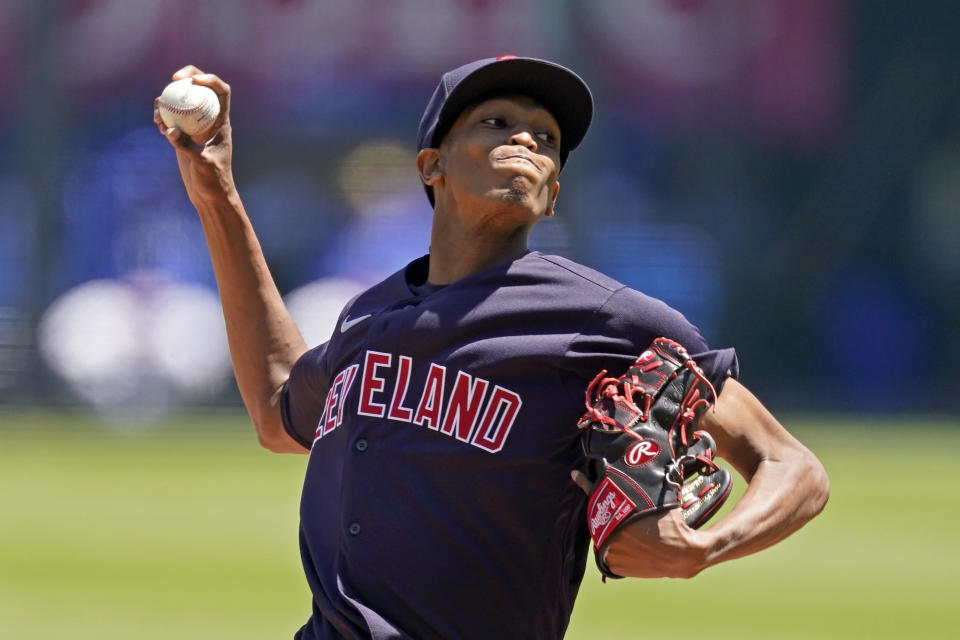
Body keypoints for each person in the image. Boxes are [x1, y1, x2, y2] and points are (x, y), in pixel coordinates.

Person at [155, 56, 829, 640]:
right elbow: (280, 413)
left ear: (554, 194)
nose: (527, 137)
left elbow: (792, 465)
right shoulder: (369, 315)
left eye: (548, 137)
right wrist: (216, 195)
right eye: (496, 121)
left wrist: (704, 548)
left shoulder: (606, 320)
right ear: (433, 165)